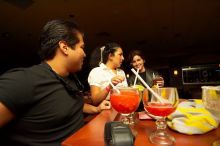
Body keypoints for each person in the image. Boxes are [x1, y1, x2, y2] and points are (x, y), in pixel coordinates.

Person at [0, 19, 110, 146]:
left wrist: (96, 109)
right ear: (65, 47)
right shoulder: (24, 80)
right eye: (82, 47)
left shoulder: (71, 80)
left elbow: (70, 105)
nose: (85, 54)